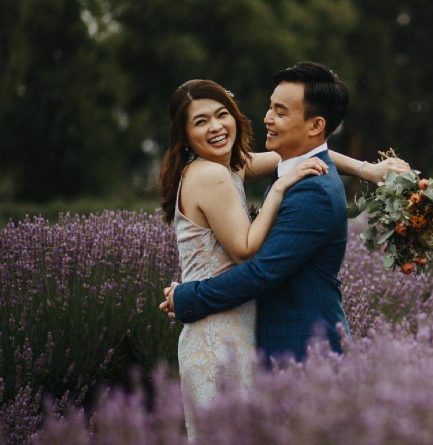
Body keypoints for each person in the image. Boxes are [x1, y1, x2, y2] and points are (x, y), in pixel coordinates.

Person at [159, 74, 407, 439]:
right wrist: (278, 189)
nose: (215, 127)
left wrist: (366, 169)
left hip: (249, 328)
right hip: (218, 332)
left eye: (221, 114)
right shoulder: (210, 173)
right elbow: (249, 254)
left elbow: (305, 148)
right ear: (184, 134)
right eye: (200, 121)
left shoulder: (234, 167)